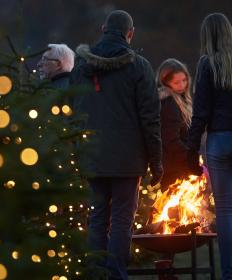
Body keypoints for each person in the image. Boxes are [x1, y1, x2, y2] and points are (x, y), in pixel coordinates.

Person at [71, 10, 163, 280]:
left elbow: (73, 110)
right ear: (130, 33)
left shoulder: (81, 67)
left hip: (93, 155)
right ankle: (116, 275)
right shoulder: (139, 67)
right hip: (128, 159)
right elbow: (150, 118)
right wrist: (156, 162)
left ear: (103, 29)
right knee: (122, 219)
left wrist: (79, 150)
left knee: (98, 217)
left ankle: (96, 274)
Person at [187, 13, 232, 280]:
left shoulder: (206, 64)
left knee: (226, 210)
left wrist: (191, 152)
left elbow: (200, 113)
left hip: (219, 140)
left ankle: (228, 272)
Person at [156, 59, 192, 191]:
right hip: (174, 168)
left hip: (179, 164)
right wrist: (190, 158)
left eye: (184, 80)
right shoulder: (169, 103)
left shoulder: (181, 99)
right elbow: (171, 139)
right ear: (166, 83)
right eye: (176, 82)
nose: (182, 85)